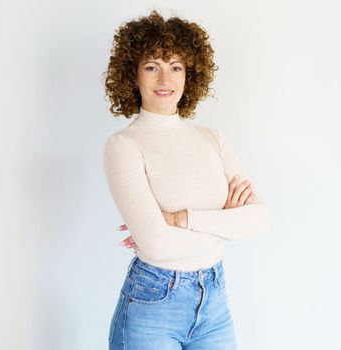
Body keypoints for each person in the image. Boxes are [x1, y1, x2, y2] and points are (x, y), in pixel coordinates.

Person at [102, 10, 271, 350]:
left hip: (214, 303)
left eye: (175, 67)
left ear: (189, 74)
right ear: (133, 75)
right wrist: (225, 224)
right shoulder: (124, 145)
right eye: (152, 66)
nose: (165, 78)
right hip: (153, 305)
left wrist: (183, 220)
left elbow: (259, 219)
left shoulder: (213, 139)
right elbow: (157, 246)